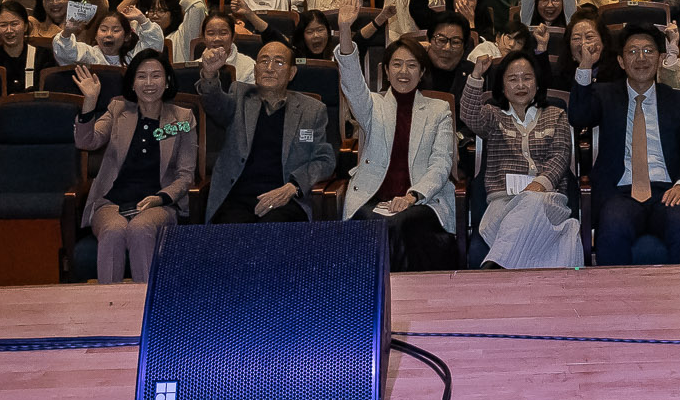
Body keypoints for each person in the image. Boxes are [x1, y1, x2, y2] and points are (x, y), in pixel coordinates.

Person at [568, 22, 680, 264]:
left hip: (668, 190)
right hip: (620, 193)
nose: (641, 58)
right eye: (632, 52)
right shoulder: (604, 94)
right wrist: (586, 65)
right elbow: (578, 117)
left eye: (648, 51)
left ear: (661, 57)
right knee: (613, 226)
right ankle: (615, 300)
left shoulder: (678, 100)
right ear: (621, 61)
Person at [337, 30, 457, 270]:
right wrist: (345, 30)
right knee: (374, 222)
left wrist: (412, 196)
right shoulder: (373, 106)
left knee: (402, 223)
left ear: (422, 72)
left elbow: (441, 163)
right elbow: (352, 85)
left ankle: (400, 294)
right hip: (373, 196)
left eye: (412, 65)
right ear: (386, 71)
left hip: (423, 200)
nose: (404, 72)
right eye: (397, 64)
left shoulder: (438, 109)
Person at [73, 52, 195, 284]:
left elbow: (185, 174)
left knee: (140, 229)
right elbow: (87, 142)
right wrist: (89, 101)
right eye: (141, 76)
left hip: (158, 203)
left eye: (156, 76)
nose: (149, 83)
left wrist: (159, 198)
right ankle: (110, 309)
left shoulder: (182, 118)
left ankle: (145, 309)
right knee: (113, 231)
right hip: (112, 202)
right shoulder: (118, 109)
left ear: (167, 80)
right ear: (132, 82)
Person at [460, 47, 579, 268]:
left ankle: (495, 266)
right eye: (513, 79)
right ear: (503, 87)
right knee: (544, 232)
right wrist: (476, 76)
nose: (521, 85)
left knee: (532, 202)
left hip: (547, 199)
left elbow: (561, 155)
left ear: (537, 83)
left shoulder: (556, 115)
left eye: (527, 78)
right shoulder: (493, 117)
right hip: (503, 200)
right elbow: (469, 114)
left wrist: (539, 185)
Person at [195, 34, 333, 224]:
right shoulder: (239, 95)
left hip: (284, 199)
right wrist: (209, 74)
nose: (269, 68)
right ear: (255, 69)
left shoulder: (312, 110)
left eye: (278, 63)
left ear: (292, 73)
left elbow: (324, 160)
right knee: (231, 236)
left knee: (275, 230)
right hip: (237, 198)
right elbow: (214, 104)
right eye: (264, 61)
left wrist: (293, 186)